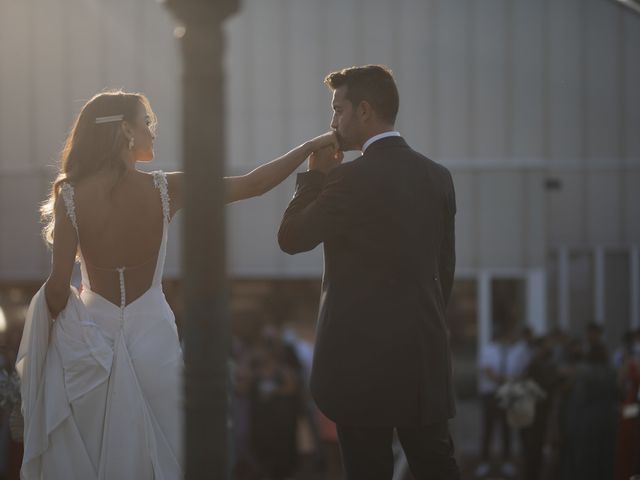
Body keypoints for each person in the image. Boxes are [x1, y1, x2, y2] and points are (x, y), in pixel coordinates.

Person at [16, 90, 337, 480]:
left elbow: (55, 287)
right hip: (155, 339)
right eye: (145, 122)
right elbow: (252, 184)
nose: (153, 131)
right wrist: (308, 149)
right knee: (165, 455)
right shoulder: (166, 188)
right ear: (124, 132)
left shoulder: (71, 194)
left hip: (91, 346)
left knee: (97, 458)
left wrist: (50, 345)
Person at [278, 65, 460, 479]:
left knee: (367, 470)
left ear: (363, 111)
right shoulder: (438, 177)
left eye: (337, 109)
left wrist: (314, 178)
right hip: (422, 356)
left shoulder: (347, 179)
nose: (332, 122)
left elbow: (291, 237)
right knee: (437, 467)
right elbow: (444, 270)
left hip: (359, 361)